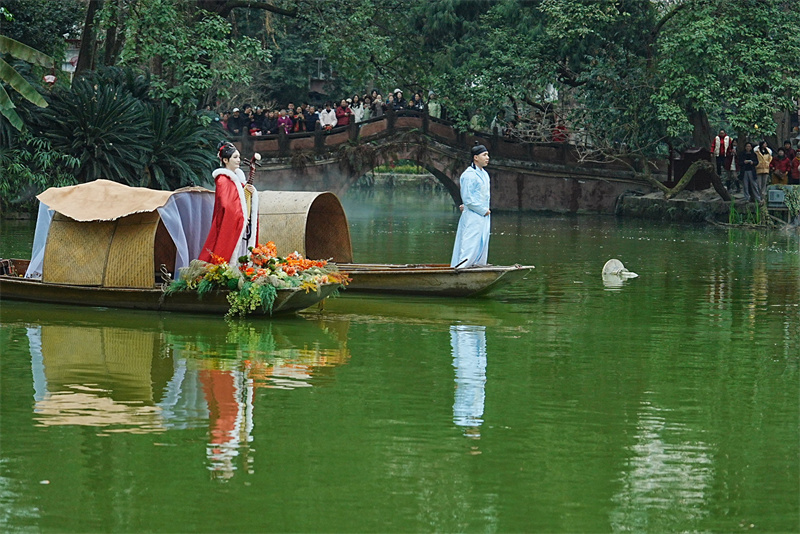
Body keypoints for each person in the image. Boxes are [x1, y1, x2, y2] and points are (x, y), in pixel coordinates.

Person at [198, 142, 259, 264]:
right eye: (235, 157)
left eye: (239, 157)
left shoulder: (238, 180)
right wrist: (241, 217)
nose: (238, 160)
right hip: (229, 223)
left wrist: (251, 192)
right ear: (225, 160)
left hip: (240, 223)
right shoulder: (222, 180)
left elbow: (241, 199)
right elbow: (226, 205)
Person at [451, 144, 491, 268]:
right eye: (484, 155)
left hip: (483, 215)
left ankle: (478, 265)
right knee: (469, 242)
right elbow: (468, 198)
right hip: (473, 215)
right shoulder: (468, 175)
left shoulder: (484, 174)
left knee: (482, 241)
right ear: (475, 157)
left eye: (487, 155)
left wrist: (484, 211)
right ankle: (463, 267)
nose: (487, 158)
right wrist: (483, 210)